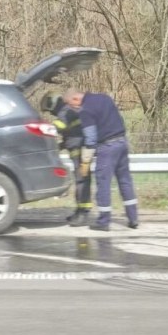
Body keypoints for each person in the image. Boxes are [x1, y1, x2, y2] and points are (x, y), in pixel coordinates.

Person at [63, 87, 138, 231]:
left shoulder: (85, 110)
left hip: (107, 147)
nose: (73, 107)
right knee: (125, 181)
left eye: (71, 104)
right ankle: (133, 218)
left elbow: (91, 138)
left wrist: (85, 159)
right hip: (122, 143)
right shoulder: (105, 98)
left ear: (75, 99)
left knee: (103, 183)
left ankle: (103, 221)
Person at [40, 91, 92, 226]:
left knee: (82, 181)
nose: (51, 113)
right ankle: (80, 211)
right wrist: (61, 145)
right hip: (80, 151)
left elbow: (59, 127)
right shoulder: (69, 110)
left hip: (82, 152)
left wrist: (40, 129)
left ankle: (84, 213)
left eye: (49, 110)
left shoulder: (65, 111)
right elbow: (71, 133)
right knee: (81, 181)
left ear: (53, 104)